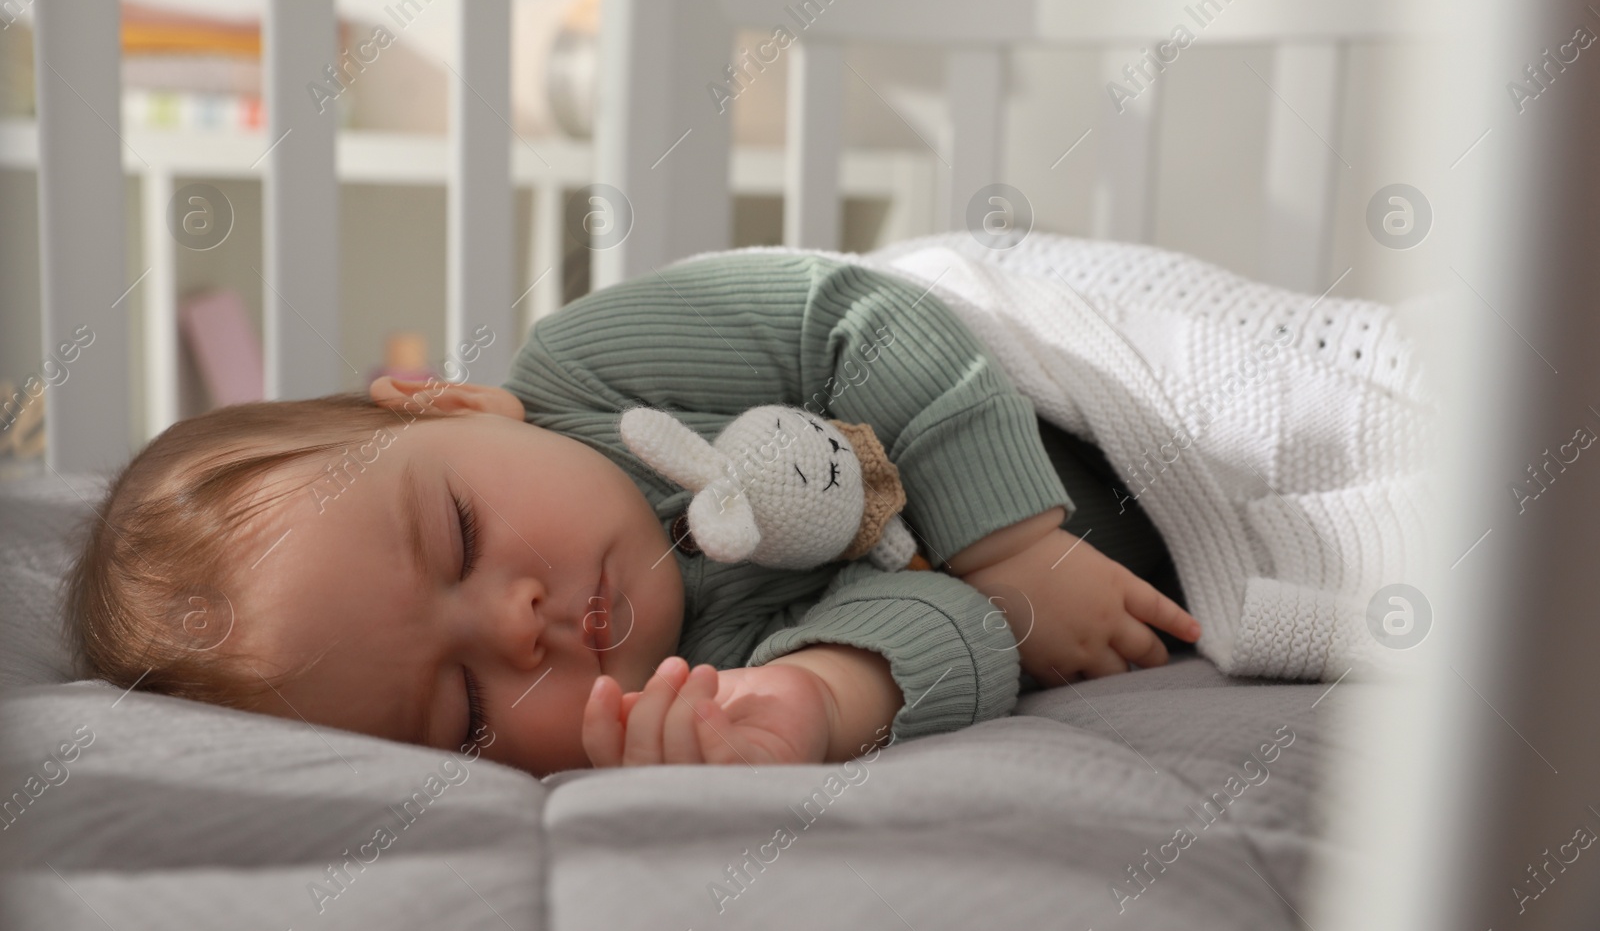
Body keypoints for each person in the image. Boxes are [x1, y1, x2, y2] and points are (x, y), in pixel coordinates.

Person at [65, 250, 1198, 777]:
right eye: (463, 707)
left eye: (460, 534)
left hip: (1111, 399)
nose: (518, 625)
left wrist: (1016, 545)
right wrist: (813, 699)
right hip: (1172, 564)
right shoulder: (690, 680)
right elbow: (948, 621)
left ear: (449, 404)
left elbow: (855, 313)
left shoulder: (594, 369)